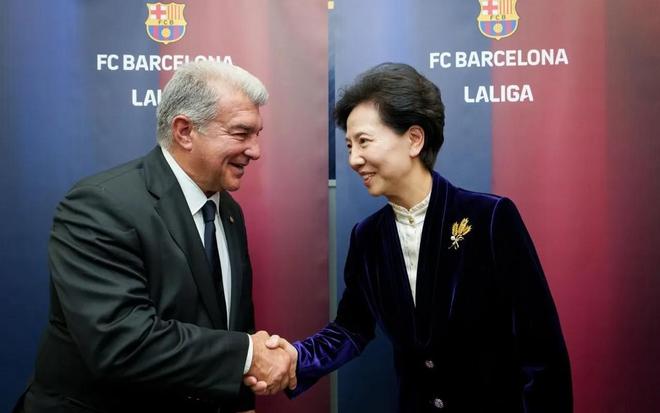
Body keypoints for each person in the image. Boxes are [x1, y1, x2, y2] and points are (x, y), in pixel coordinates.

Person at [249, 63, 573, 412]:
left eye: (364, 142)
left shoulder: (490, 218)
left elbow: (542, 352)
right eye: (349, 145)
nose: (354, 159)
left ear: (414, 139)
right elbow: (351, 329)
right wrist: (296, 358)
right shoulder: (367, 237)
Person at [15, 61, 296, 413]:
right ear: (184, 131)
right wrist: (248, 355)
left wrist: (241, 403)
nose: (255, 150)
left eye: (257, 134)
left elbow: (231, 324)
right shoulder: (101, 205)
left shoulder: (228, 211)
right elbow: (121, 341)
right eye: (241, 134)